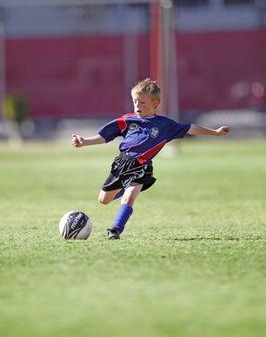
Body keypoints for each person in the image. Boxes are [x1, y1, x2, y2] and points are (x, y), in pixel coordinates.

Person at [72, 78, 230, 240]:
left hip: (141, 167)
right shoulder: (127, 120)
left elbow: (191, 128)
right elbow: (105, 136)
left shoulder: (164, 125)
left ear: (155, 103)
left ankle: (116, 228)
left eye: (142, 103)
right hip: (121, 163)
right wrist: (85, 142)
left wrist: (215, 132)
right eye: (135, 102)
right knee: (103, 200)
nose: (137, 106)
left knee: (129, 197)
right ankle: (124, 189)